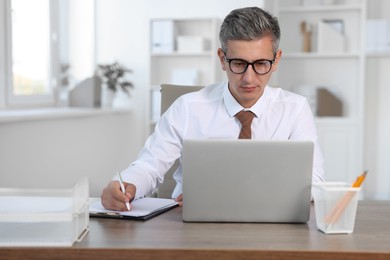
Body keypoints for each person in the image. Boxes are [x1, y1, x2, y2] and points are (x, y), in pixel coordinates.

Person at [101, 6, 324, 211]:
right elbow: (149, 167)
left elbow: (314, 182)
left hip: (271, 223)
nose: (248, 78)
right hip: (192, 224)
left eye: (261, 64)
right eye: (238, 63)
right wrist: (126, 185)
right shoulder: (187, 108)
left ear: (276, 61)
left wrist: (237, 197)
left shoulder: (295, 109)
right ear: (222, 59)